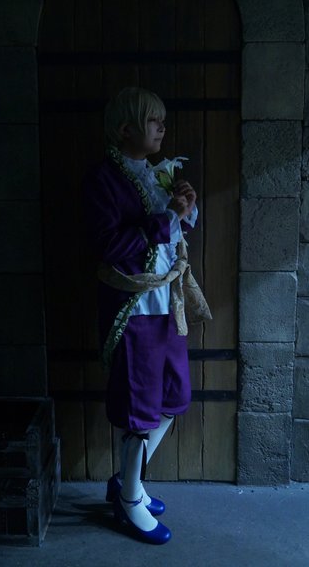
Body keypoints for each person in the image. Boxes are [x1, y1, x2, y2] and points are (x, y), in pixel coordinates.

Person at [82, 86, 211, 545]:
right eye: (153, 121)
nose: (162, 128)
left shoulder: (156, 175)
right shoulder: (101, 181)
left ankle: (126, 481)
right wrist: (166, 219)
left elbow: (170, 235)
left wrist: (184, 211)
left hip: (167, 304)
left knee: (173, 398)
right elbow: (110, 247)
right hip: (131, 309)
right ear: (125, 130)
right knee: (140, 410)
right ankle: (129, 499)